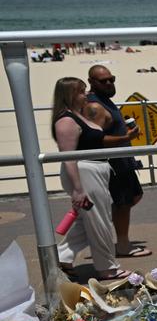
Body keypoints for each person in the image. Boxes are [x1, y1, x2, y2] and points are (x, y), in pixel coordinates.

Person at [51, 77, 128, 280]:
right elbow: (68, 157)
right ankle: (107, 268)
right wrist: (77, 189)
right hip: (85, 171)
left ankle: (61, 256)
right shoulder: (66, 120)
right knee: (99, 221)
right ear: (68, 94)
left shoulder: (77, 116)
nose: (85, 95)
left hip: (96, 169)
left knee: (89, 221)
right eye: (80, 91)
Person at [87, 66, 150, 258]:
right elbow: (95, 139)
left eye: (111, 79)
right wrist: (126, 137)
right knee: (123, 202)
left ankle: (114, 237)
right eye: (103, 81)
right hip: (114, 163)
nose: (109, 83)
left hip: (121, 160)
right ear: (92, 82)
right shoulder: (95, 107)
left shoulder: (105, 101)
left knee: (132, 197)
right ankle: (122, 244)